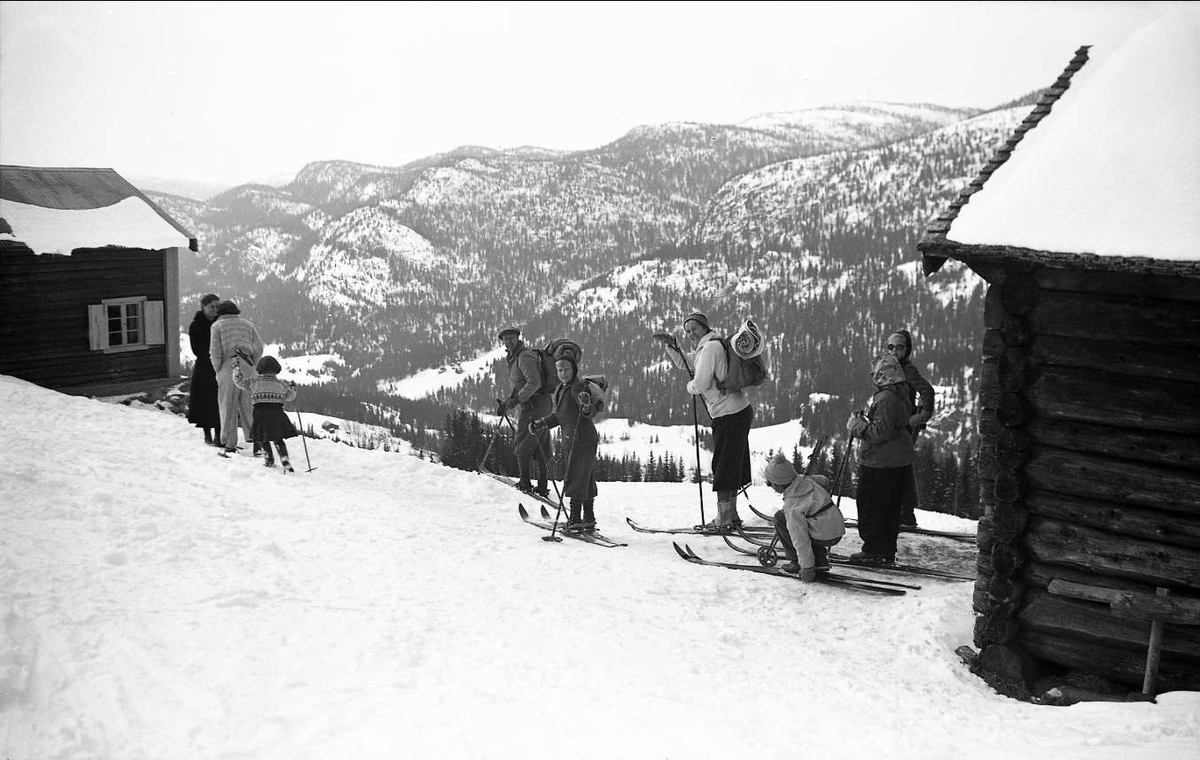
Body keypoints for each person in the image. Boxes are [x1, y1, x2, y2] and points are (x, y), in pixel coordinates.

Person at [682, 311, 753, 530]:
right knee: (733, 463)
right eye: (687, 331)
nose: (691, 333)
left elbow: (700, 383)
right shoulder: (713, 344)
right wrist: (671, 347)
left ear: (704, 327)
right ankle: (731, 514)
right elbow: (688, 362)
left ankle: (724, 519)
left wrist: (690, 387)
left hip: (728, 414)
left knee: (724, 465)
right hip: (739, 410)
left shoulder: (710, 348)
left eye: (694, 329)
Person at [845, 353, 914, 565]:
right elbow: (889, 425)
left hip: (880, 461)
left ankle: (873, 548)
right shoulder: (901, 393)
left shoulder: (885, 399)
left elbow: (879, 433)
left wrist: (857, 426)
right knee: (890, 506)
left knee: (871, 504)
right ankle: (886, 548)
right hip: (897, 458)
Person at [530, 355, 605, 534]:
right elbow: (560, 416)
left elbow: (587, 411)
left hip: (581, 439)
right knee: (585, 477)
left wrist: (586, 405)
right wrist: (541, 423)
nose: (563, 373)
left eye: (566, 369)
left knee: (576, 477)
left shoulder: (578, 387)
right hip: (575, 439)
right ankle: (588, 519)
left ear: (574, 370)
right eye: (559, 370)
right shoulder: (562, 388)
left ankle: (575, 520)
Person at [763, 453, 845, 581]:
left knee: (780, 518)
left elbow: (800, 538)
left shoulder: (793, 506)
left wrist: (806, 567)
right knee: (811, 519)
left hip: (824, 535)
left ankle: (795, 561)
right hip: (836, 529)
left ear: (779, 484)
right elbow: (823, 480)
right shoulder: (806, 481)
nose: (771, 486)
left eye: (771, 483)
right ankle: (819, 559)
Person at [885, 329, 935, 528]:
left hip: (904, 426)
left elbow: (927, 390)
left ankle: (906, 513)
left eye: (899, 347)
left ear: (907, 350)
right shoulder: (894, 366)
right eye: (891, 347)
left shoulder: (906, 369)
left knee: (900, 466)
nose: (894, 351)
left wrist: (921, 416)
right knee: (901, 466)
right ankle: (904, 512)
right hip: (898, 424)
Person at [496, 327, 551, 497]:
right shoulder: (515, 356)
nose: (508, 341)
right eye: (505, 339)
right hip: (541, 403)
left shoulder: (524, 355)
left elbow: (534, 383)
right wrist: (508, 402)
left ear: (518, 338)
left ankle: (525, 483)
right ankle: (542, 485)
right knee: (541, 443)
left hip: (534, 405)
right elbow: (520, 383)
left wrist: (515, 401)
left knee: (522, 442)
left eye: (511, 338)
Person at [209, 300, 264, 457]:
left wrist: (219, 369)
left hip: (228, 366)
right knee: (249, 406)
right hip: (248, 364)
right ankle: (256, 443)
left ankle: (229, 444)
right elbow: (259, 347)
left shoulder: (217, 326)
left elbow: (215, 352)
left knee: (228, 406)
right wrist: (252, 363)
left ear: (220, 312)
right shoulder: (248, 324)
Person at [233, 355, 299, 472]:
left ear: (260, 369)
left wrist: (236, 370)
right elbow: (290, 397)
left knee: (263, 437)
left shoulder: (254, 382)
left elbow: (240, 383)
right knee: (278, 438)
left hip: (260, 413)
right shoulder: (282, 384)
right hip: (277, 413)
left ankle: (269, 459)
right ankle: (285, 459)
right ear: (276, 369)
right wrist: (293, 389)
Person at [186, 293, 222, 446]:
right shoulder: (196, 325)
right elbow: (197, 349)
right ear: (203, 307)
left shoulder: (221, 323)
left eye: (217, 306)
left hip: (219, 367)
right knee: (205, 401)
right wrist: (212, 355)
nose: (215, 309)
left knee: (220, 401)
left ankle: (219, 436)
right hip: (205, 368)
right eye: (211, 306)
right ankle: (207, 434)